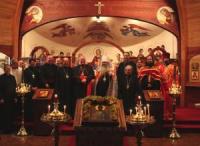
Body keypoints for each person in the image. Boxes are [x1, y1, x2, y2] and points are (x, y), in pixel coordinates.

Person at [0, 64, 17, 133]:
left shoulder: (12, 77)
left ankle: (10, 128)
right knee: (4, 114)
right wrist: (1, 98)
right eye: (7, 69)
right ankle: (4, 129)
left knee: (11, 114)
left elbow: (15, 88)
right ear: (4, 69)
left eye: (9, 68)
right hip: (4, 99)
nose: (8, 70)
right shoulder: (1, 78)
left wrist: (15, 97)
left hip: (11, 99)